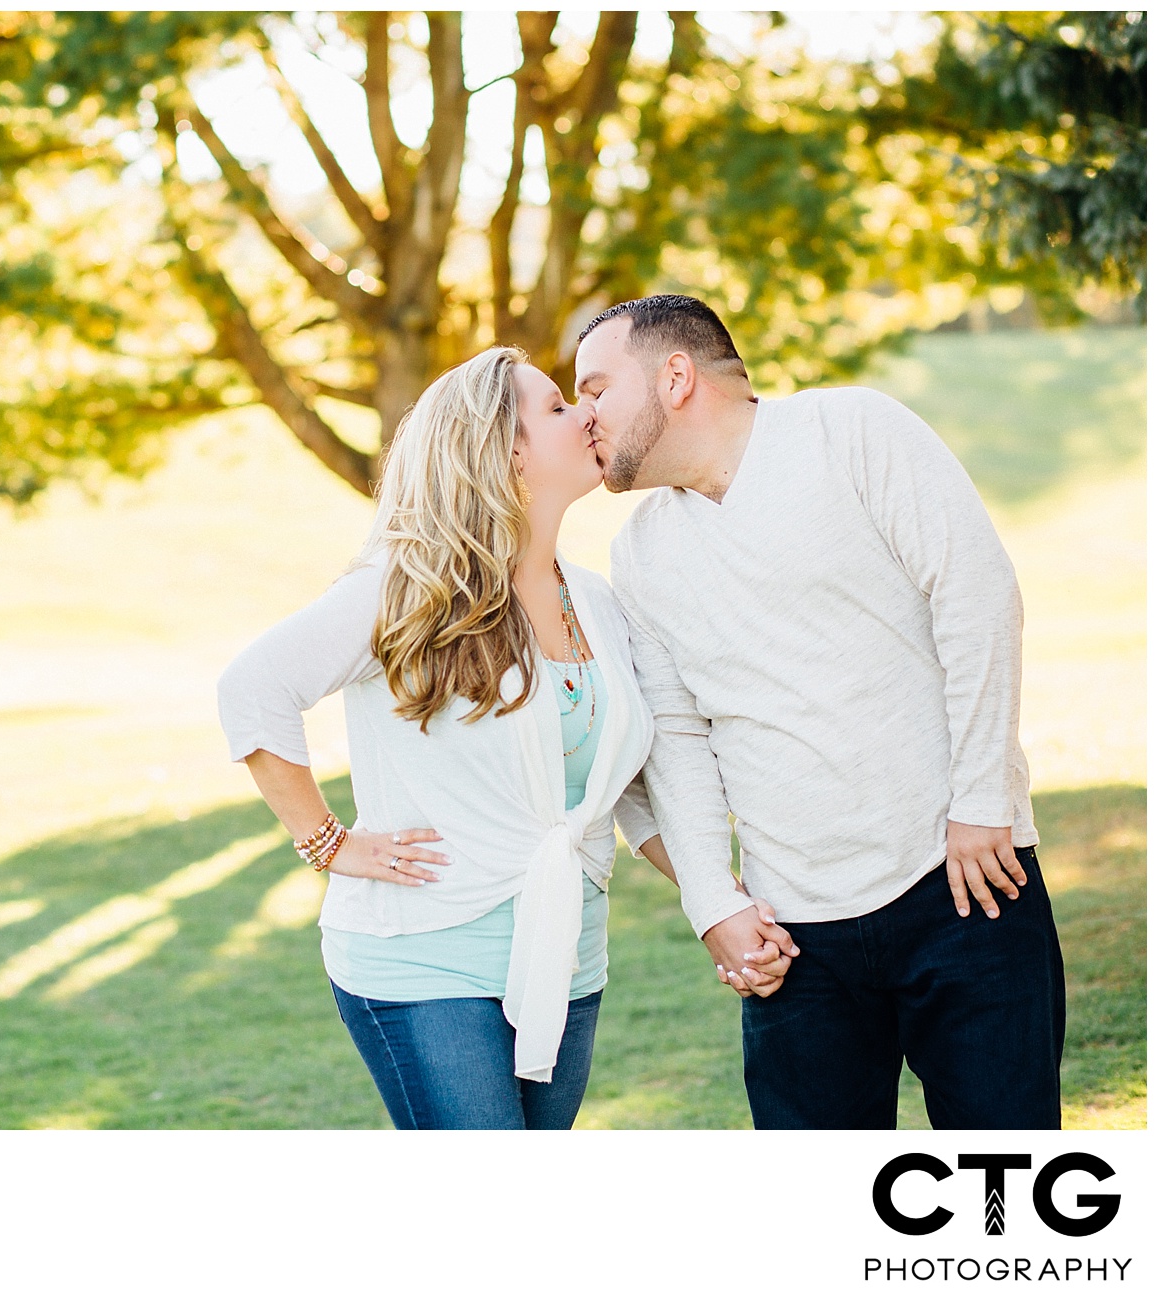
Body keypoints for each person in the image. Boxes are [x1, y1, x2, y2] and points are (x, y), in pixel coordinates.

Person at [217, 345, 795, 1130]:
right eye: (557, 406)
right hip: (423, 956)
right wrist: (329, 843)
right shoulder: (408, 583)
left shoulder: (597, 603)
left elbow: (620, 797)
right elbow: (253, 688)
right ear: (505, 451)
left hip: (565, 961)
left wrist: (717, 902)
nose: (587, 413)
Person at [576, 293, 1062, 1129]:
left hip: (966, 883)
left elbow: (976, 595)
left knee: (1004, 1196)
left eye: (595, 389)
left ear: (677, 376)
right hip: (793, 937)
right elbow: (681, 740)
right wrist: (712, 902)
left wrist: (983, 801)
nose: (584, 417)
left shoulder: (855, 433)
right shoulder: (641, 550)